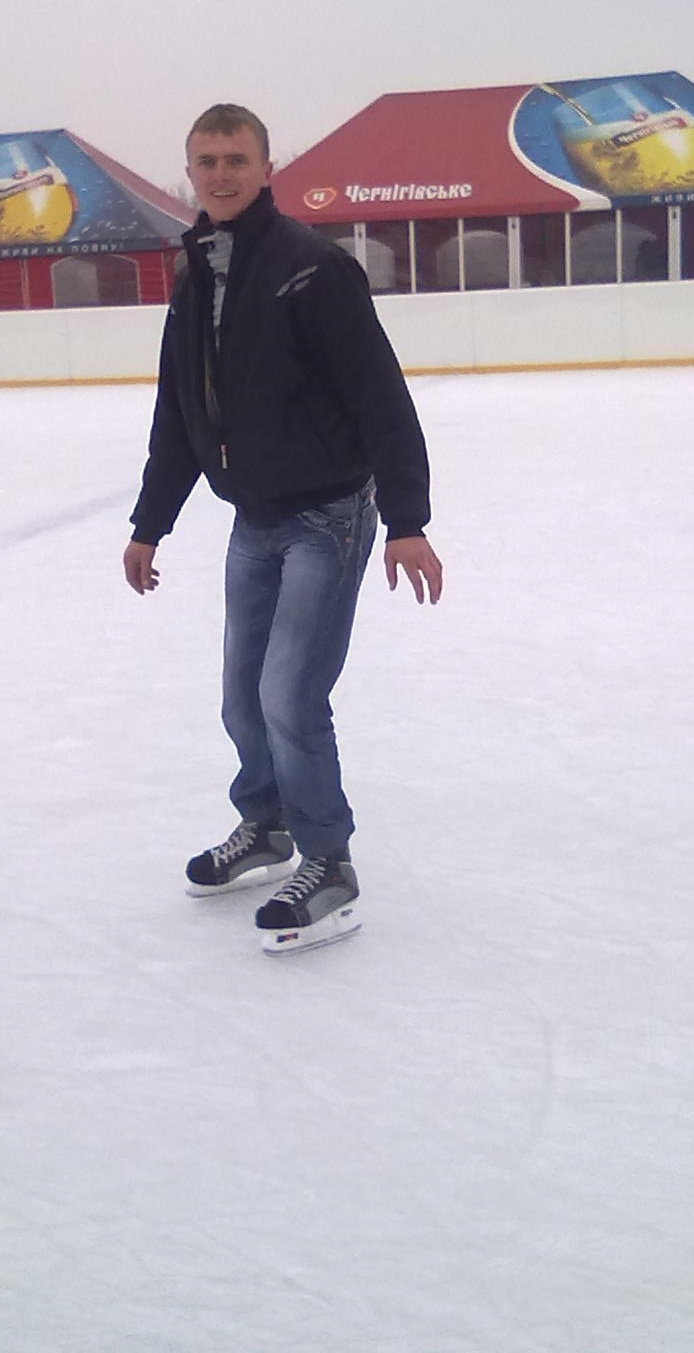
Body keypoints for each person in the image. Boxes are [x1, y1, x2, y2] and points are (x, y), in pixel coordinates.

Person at [123, 104, 443, 954]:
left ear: (267, 170)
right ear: (189, 172)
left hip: (328, 517)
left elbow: (380, 395)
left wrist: (407, 520)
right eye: (207, 161)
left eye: (237, 159)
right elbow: (178, 411)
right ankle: (266, 826)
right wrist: (151, 522)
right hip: (253, 518)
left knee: (289, 695)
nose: (221, 174)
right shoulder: (194, 275)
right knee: (242, 696)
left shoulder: (312, 269)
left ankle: (328, 861)